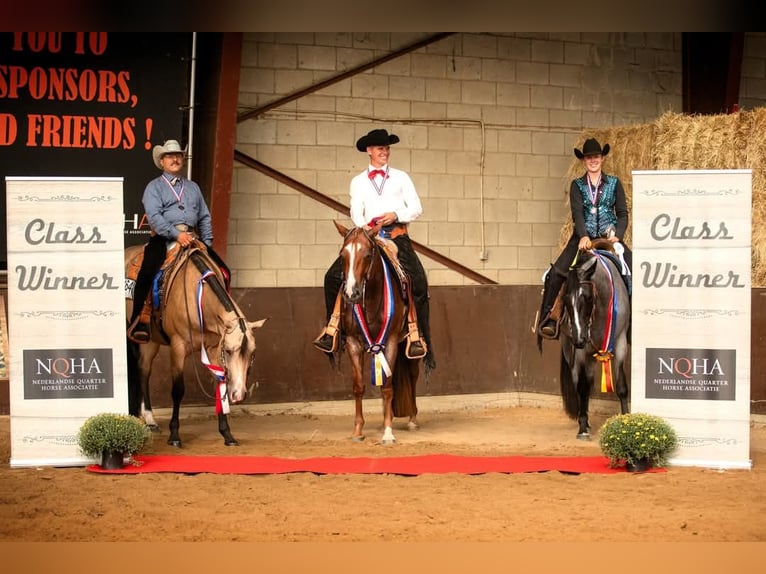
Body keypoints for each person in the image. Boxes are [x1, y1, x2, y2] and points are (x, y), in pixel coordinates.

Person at [313, 128, 436, 372]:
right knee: (331, 278)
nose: (385, 152)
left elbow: (416, 207)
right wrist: (365, 227)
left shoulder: (401, 177)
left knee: (419, 281)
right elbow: (355, 210)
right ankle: (333, 330)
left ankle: (418, 336)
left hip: (395, 236)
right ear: (369, 151)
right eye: (381, 148)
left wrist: (395, 215)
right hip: (368, 237)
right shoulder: (357, 181)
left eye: (387, 148)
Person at [127, 139, 231, 343]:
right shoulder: (154, 187)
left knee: (224, 271)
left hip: (193, 238)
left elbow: (204, 216)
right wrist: (176, 235)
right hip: (164, 238)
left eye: (177, 155)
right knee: (148, 271)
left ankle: (225, 316)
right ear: (162, 161)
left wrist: (207, 243)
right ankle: (140, 319)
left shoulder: (193, 188)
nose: (174, 159)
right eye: (169, 156)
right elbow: (155, 217)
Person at [536, 137, 632, 340]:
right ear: (584, 161)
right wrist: (583, 235)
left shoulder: (614, 183)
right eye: (589, 158)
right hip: (583, 237)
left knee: (635, 271)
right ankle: (549, 318)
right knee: (555, 274)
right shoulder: (577, 185)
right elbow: (577, 213)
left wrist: (618, 236)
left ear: (602, 158)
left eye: (596, 156)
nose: (593, 160)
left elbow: (623, 213)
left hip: (609, 237)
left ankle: (633, 323)